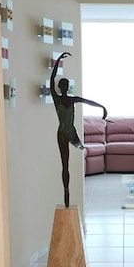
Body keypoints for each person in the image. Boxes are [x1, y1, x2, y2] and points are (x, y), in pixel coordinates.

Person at [50, 51, 107, 207]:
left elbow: (88, 101)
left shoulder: (72, 99)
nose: (66, 87)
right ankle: (66, 190)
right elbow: (51, 80)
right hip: (62, 134)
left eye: (66, 85)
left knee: (81, 148)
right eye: (65, 85)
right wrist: (58, 61)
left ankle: (69, 189)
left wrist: (102, 108)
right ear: (62, 87)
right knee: (65, 164)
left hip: (71, 133)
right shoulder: (57, 99)